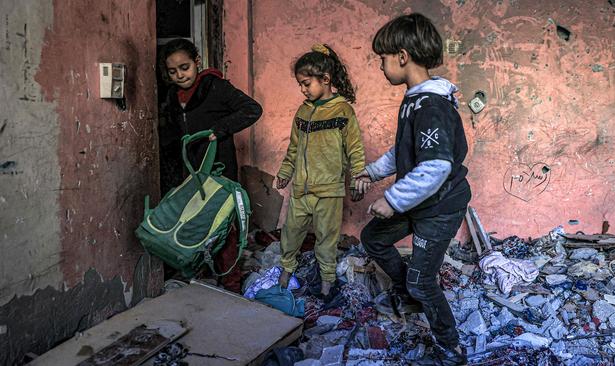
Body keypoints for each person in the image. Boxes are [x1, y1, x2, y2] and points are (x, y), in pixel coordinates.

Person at [354, 13, 472, 366]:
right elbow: (404, 151)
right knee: (373, 238)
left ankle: (450, 348)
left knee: (423, 281)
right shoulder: (415, 100)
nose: (380, 66)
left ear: (402, 57)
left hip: (440, 207)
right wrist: (371, 172)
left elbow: (436, 166)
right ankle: (409, 293)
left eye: (383, 59)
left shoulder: (431, 105)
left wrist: (392, 200)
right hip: (422, 201)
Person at [159, 38, 262, 292]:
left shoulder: (215, 87)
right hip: (191, 173)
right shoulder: (173, 96)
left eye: (184, 67)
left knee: (224, 225)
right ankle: (202, 275)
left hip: (219, 170)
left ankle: (231, 281)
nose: (180, 75)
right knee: (196, 223)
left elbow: (252, 109)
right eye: (173, 71)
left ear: (197, 63)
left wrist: (219, 129)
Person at [276, 44, 366, 297]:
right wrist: (285, 172)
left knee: (326, 240)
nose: (303, 90)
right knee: (291, 234)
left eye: (306, 84)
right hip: (301, 190)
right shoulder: (303, 111)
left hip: (329, 192)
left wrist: (357, 179)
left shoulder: (343, 111)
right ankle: (285, 274)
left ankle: (327, 283)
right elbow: (294, 147)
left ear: (325, 80)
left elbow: (355, 149)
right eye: (300, 85)